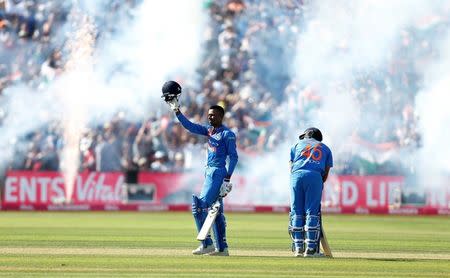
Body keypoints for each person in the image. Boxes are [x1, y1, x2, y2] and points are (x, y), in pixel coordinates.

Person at [163, 81, 238, 256]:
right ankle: (222, 248)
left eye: (213, 115)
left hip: (217, 172)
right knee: (216, 212)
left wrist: (227, 179)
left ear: (221, 116)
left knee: (199, 207)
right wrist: (177, 111)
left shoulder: (227, 134)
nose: (210, 118)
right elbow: (189, 126)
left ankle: (207, 243)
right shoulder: (209, 131)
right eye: (209, 115)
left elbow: (234, 157)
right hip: (210, 172)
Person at [288, 127, 333, 257]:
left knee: (296, 212)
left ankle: (298, 249)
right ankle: (311, 250)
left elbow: (290, 166)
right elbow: (326, 173)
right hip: (314, 176)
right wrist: (317, 182)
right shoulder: (325, 148)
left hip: (296, 176)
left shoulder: (296, 145)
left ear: (307, 136)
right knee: (311, 212)